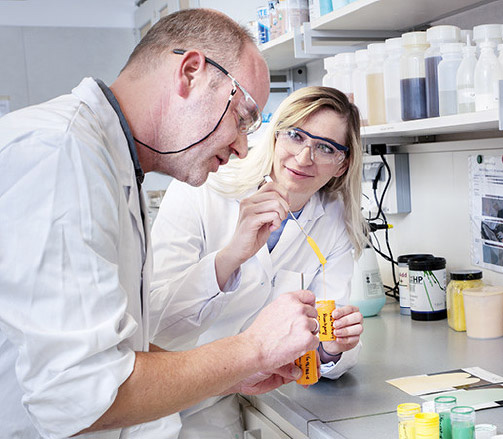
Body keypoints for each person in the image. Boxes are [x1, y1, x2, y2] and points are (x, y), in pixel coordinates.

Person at [0, 9, 320, 439]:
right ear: (190, 73)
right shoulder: (60, 155)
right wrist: (253, 349)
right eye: (243, 118)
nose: (244, 148)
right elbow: (78, 394)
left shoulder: (110, 163)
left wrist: (230, 376)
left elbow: (116, 352)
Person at [149, 86, 368, 438]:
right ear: (275, 135)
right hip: (162, 393)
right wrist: (231, 256)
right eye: (295, 135)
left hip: (230, 400)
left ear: (343, 163)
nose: (304, 157)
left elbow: (323, 340)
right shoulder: (202, 187)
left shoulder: (334, 222)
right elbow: (157, 320)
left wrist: (331, 348)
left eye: (326, 147)